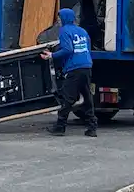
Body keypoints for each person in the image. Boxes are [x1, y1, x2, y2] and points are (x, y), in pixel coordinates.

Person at [41, 8, 98, 137]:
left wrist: (52, 55)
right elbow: (87, 49)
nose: (59, 21)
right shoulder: (82, 31)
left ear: (64, 18)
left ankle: (60, 127)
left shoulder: (64, 31)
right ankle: (92, 127)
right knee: (87, 97)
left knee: (67, 98)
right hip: (86, 66)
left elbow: (68, 49)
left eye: (60, 18)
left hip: (74, 68)